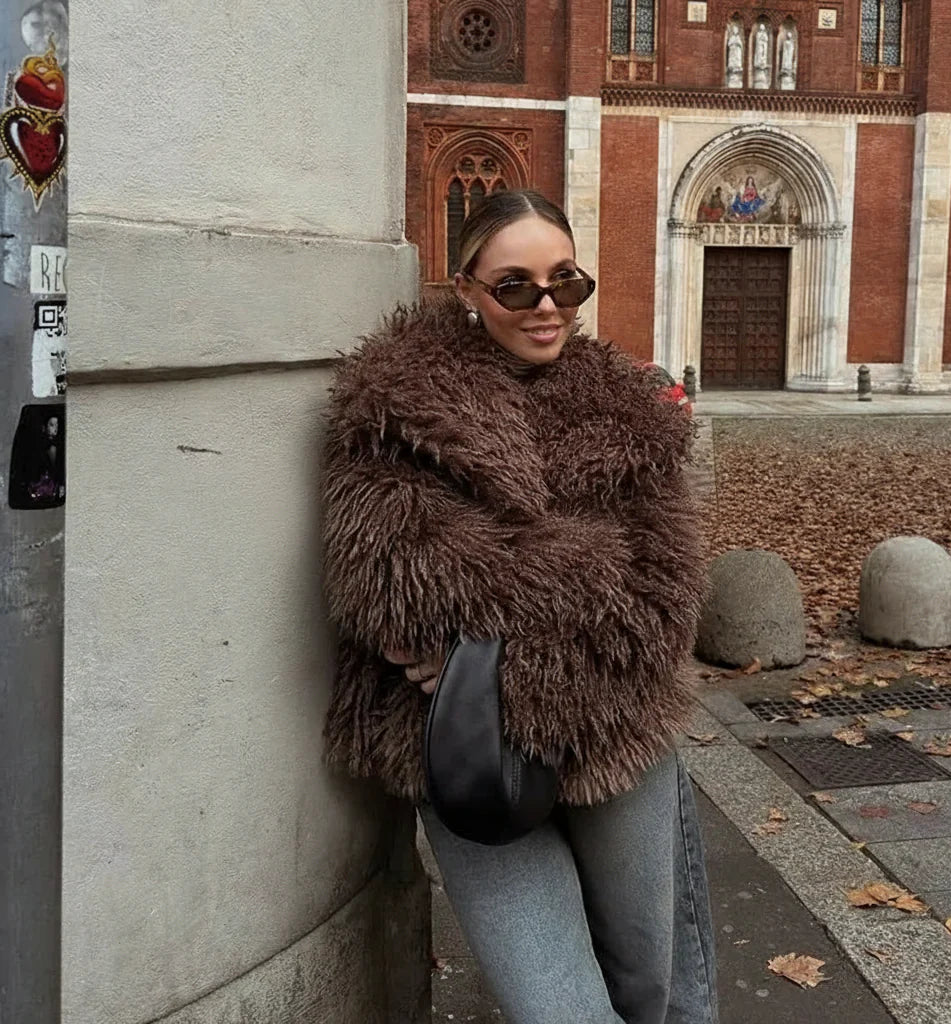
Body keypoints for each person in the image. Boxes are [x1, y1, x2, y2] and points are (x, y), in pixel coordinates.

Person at [320, 188, 718, 1024]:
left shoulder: (629, 409)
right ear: (466, 286)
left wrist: (489, 651)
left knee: (653, 989)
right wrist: (587, 572)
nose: (546, 306)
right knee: (560, 1010)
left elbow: (665, 593)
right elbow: (385, 576)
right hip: (466, 754)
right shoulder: (394, 402)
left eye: (565, 282)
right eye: (515, 286)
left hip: (617, 733)